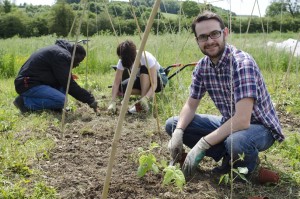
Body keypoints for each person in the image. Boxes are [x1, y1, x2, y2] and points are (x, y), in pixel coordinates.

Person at [165, 11, 284, 178]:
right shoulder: (202, 67)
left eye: (215, 34)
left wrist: (203, 143)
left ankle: (244, 169)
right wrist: (178, 132)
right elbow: (191, 105)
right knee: (173, 124)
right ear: (197, 40)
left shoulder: (242, 64)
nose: (210, 41)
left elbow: (243, 120)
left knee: (237, 141)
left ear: (225, 33)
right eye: (203, 37)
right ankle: (229, 156)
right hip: (230, 123)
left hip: (260, 128)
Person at [13, 39, 99, 114]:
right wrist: (89, 99)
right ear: (74, 54)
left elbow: (58, 77)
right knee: (62, 101)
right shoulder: (61, 55)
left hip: (36, 81)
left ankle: (55, 107)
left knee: (62, 89)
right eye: (78, 61)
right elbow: (68, 84)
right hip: (27, 84)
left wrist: (67, 75)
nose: (77, 65)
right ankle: (25, 102)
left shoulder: (60, 52)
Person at [107, 40, 168, 114]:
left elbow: (154, 84)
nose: (121, 61)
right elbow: (116, 83)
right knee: (121, 88)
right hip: (142, 80)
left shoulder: (146, 58)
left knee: (144, 69)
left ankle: (142, 104)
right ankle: (149, 94)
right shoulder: (123, 60)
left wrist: (145, 98)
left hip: (159, 81)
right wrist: (112, 101)